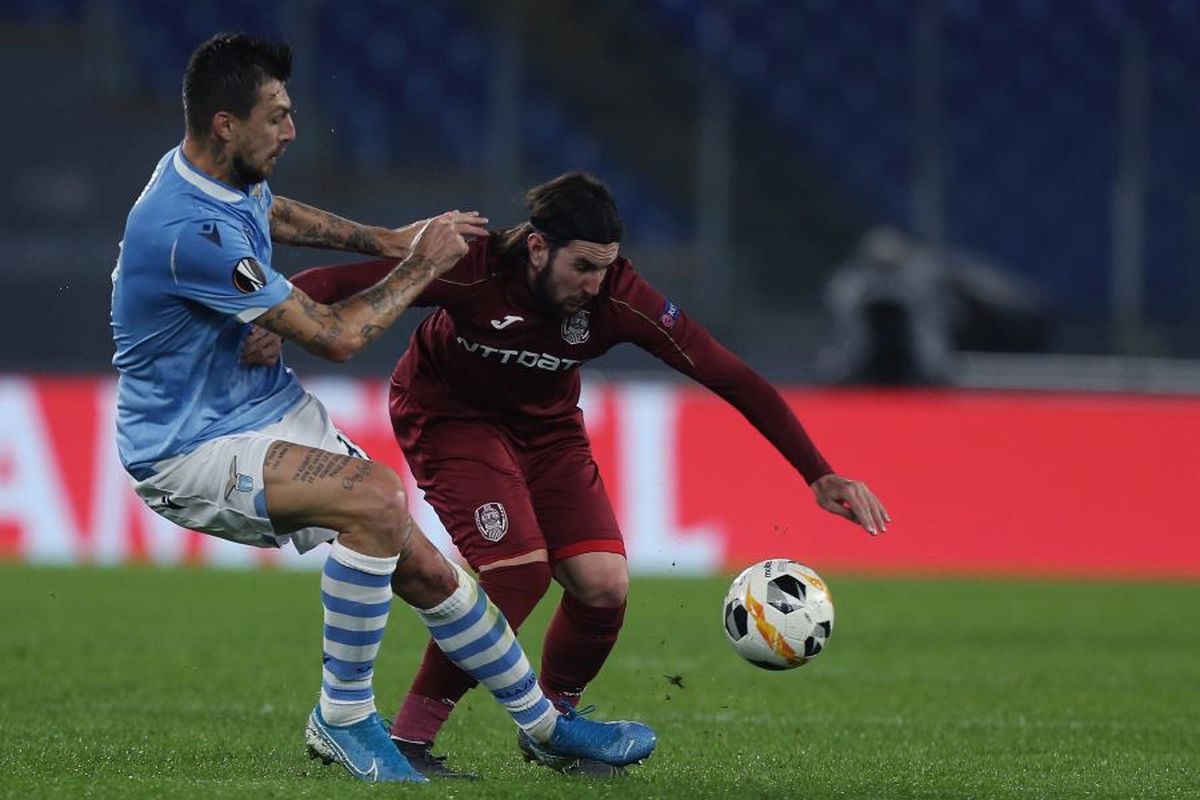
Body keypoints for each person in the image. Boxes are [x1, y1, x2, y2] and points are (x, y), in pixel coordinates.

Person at [111, 33, 655, 784]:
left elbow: (274, 215)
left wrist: (383, 238)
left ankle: (546, 727)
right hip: (186, 446)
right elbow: (336, 338)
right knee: (374, 499)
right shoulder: (187, 233)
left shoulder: (217, 177)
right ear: (225, 124)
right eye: (276, 116)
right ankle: (342, 717)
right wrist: (420, 263)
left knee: (428, 568)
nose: (292, 130)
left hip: (261, 411)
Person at [249, 172, 892, 777]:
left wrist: (818, 474)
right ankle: (412, 738)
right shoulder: (473, 268)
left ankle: (552, 722)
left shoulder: (619, 299)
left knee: (603, 584)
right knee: (518, 572)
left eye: (604, 267)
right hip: (449, 416)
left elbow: (727, 373)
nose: (593, 283)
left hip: (547, 430)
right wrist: (276, 322)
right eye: (582, 265)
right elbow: (336, 278)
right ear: (536, 248)